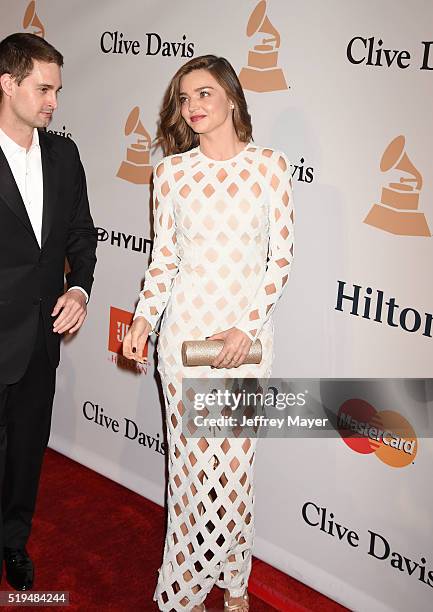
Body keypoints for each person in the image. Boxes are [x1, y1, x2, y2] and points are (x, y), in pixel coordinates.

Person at [123, 54, 294, 611]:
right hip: (184, 344)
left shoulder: (270, 166)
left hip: (244, 345)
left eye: (203, 94)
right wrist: (145, 320)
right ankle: (190, 590)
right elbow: (163, 262)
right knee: (193, 476)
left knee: (235, 474)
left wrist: (248, 327)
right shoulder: (171, 173)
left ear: (231, 98)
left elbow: (281, 260)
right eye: (183, 98)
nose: (192, 107)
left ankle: (235, 585)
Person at [0, 33, 97, 590]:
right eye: (42, 89)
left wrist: (80, 289)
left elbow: (81, 233)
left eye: (57, 90)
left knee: (28, 452)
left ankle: (14, 542)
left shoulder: (65, 155)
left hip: (42, 338)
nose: (53, 102)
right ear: (8, 83)